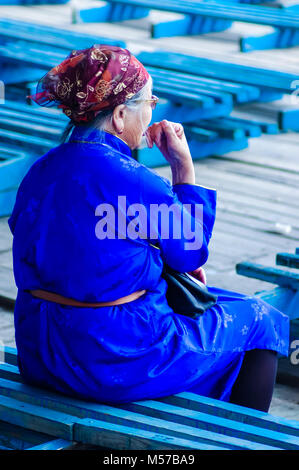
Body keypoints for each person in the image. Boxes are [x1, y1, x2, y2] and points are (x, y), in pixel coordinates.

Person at [8, 45, 289, 412]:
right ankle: (240, 438)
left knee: (217, 302)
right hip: (110, 356)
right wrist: (183, 171)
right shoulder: (132, 179)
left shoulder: (40, 171)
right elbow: (191, 253)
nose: (153, 112)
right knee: (259, 318)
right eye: (149, 102)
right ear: (121, 115)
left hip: (42, 349)